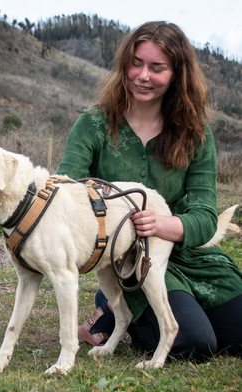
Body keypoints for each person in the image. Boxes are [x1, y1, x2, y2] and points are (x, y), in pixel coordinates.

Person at [56, 21, 242, 361]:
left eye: (157, 68)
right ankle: (112, 306)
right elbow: (63, 194)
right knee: (196, 344)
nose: (143, 75)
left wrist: (159, 225)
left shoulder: (196, 133)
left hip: (186, 254)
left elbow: (203, 217)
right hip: (127, 260)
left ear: (176, 73)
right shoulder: (94, 124)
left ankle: (114, 316)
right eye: (136, 63)